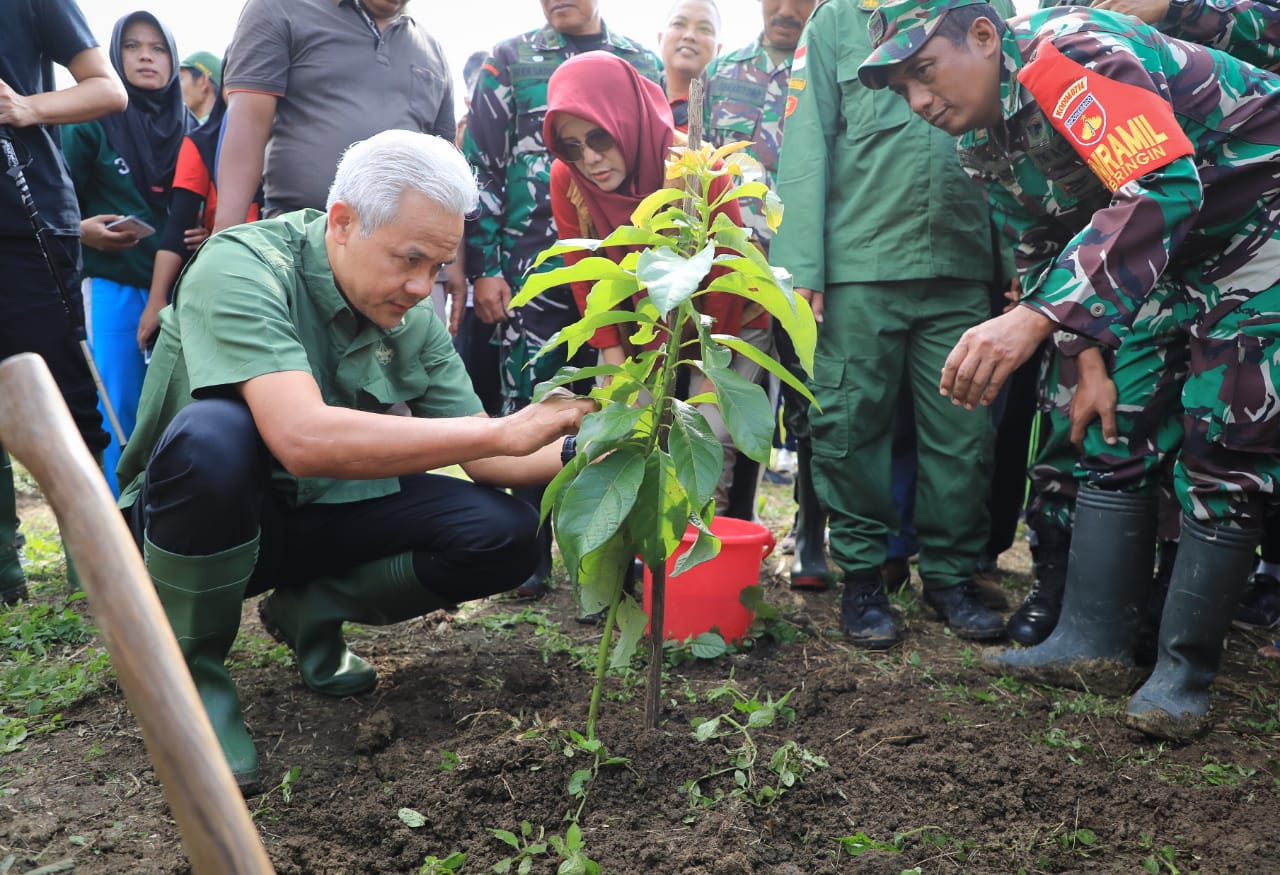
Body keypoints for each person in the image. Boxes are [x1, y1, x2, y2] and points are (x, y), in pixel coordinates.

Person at [116, 130, 595, 791]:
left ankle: (311, 606)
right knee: (214, 439)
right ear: (342, 221)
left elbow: (493, 458)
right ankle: (192, 674)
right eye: (411, 259)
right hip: (198, 523)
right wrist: (501, 433)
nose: (420, 287)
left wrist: (590, 445)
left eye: (437, 268)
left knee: (505, 533)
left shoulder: (409, 317)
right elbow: (303, 438)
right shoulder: (244, 264)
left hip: (314, 519)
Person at [860, 0, 1280, 737]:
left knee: (1226, 433)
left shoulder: (1069, 53)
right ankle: (1092, 641)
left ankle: (1183, 673)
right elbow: (1041, 249)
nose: (919, 101)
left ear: (985, 35)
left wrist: (1037, 319)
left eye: (923, 71)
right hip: (1167, 251)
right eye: (902, 89)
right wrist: (1086, 361)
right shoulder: (983, 146)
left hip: (1259, 220)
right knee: (1112, 424)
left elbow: (1164, 185)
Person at [770, 0, 1010, 648]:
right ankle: (864, 580)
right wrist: (800, 271)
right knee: (850, 425)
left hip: (962, 263)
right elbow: (805, 143)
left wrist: (1015, 258)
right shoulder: (834, 22)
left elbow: (1019, 127)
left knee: (964, 430)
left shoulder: (981, 10)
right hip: (859, 265)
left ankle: (952, 577)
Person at [462, 0, 661, 597]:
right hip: (535, 266)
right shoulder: (509, 59)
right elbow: (482, 169)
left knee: (625, 395)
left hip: (628, 269)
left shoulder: (639, 60)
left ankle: (617, 547)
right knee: (540, 393)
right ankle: (532, 547)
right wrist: (484, 268)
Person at [545, 51, 770, 514]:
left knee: (710, 435)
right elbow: (586, 278)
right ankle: (635, 558)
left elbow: (726, 274)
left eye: (599, 137)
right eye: (571, 146)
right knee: (630, 429)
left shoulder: (696, 168)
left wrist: (708, 373)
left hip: (724, 322)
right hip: (639, 326)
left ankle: (699, 553)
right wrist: (612, 357)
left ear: (624, 119)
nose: (589, 158)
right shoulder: (566, 180)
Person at [0, 0, 126, 604]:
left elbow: (107, 88)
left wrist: (26, 107)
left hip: (27, 222)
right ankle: (5, 567)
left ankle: (96, 560)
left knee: (68, 395)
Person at [702, 0, 821, 576]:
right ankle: (728, 527)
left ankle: (811, 534)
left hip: (807, 273)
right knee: (728, 405)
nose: (788, 8)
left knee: (811, 407)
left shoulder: (829, 71)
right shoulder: (719, 75)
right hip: (731, 278)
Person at [62, 10, 191, 497]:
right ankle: (121, 520)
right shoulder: (92, 122)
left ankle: (170, 520)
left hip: (182, 293)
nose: (145, 57)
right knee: (118, 406)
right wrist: (81, 231)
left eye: (158, 48)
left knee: (180, 408)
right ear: (114, 55)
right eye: (133, 46)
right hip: (113, 285)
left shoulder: (191, 126)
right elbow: (54, 198)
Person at [213, 0, 454, 227]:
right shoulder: (282, 8)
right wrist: (223, 237)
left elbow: (445, 168)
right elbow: (248, 127)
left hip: (401, 248)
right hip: (301, 237)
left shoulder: (433, 51)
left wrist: (450, 268)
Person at [140, 56, 263, 354]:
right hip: (229, 283)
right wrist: (157, 299)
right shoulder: (201, 143)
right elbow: (178, 228)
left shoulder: (292, 142)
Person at [658, 0, 722, 130]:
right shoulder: (637, 97)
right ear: (660, 39)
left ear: (718, 50)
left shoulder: (727, 112)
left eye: (704, 29)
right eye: (679, 24)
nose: (689, 36)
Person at [177, 50, 220, 123]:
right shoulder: (227, 125)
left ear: (203, 81)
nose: (175, 87)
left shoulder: (199, 130)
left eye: (181, 78)